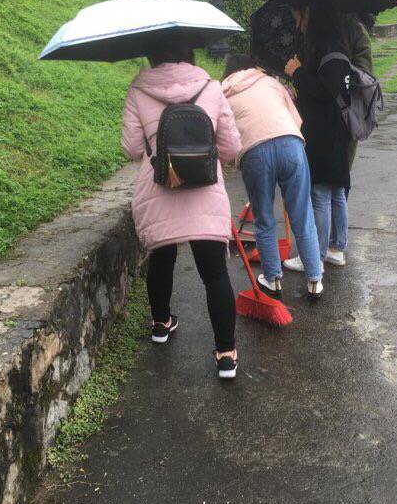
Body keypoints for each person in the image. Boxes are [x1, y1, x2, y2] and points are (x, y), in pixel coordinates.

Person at [121, 44, 243, 379]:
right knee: (215, 274)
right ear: (190, 52)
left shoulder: (138, 90)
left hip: (158, 190)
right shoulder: (211, 87)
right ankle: (226, 355)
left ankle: (161, 324)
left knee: (161, 258)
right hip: (205, 193)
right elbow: (231, 147)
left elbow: (132, 148)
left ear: (152, 53)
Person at [222, 55, 324, 299]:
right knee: (302, 213)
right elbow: (296, 119)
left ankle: (272, 279)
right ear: (251, 68)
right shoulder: (269, 82)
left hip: (254, 152)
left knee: (264, 217)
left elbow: (225, 138)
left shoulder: (222, 94)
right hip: (290, 143)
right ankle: (314, 280)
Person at [283, 2, 353, 274]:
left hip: (323, 131)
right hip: (338, 128)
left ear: (310, 14)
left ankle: (316, 255)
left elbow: (324, 92)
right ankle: (336, 248)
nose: (296, 22)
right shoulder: (337, 47)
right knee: (336, 190)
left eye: (297, 15)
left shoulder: (325, 50)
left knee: (321, 192)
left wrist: (297, 72)